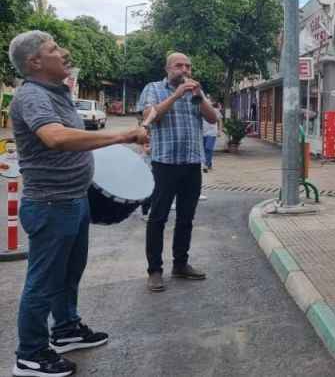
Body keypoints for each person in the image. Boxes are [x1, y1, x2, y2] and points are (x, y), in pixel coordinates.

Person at [7, 30, 147, 377]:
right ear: (34, 62)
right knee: (42, 282)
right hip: (51, 204)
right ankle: (30, 354)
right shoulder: (32, 96)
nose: (64, 52)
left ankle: (66, 329)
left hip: (73, 199)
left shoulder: (57, 93)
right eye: (54, 49)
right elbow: (54, 137)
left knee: (69, 273)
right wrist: (122, 135)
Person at [136, 52, 218, 292]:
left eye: (188, 66)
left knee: (186, 218)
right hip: (164, 163)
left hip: (192, 163)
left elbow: (212, 118)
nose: (184, 70)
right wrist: (176, 95)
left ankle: (180, 264)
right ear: (167, 69)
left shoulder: (195, 91)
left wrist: (199, 96)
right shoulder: (153, 88)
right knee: (158, 217)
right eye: (179, 66)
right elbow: (150, 117)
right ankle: (154, 270)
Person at [202, 102, 222, 172]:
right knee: (204, 149)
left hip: (212, 133)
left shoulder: (215, 111)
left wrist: (220, 130)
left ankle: (206, 165)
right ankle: (209, 164)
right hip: (203, 133)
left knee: (208, 148)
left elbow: (220, 121)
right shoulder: (201, 109)